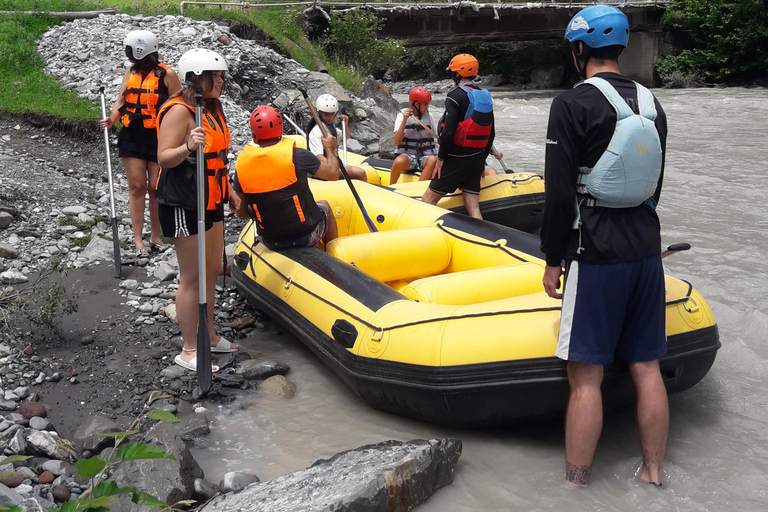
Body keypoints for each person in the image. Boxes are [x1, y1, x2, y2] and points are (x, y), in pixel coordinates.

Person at [539, 5, 669, 488]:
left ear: (579, 50)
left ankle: (576, 485)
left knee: (586, 378)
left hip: (593, 251)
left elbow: (557, 195)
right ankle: (653, 471)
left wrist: (552, 258)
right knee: (646, 365)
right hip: (645, 248)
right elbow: (655, 185)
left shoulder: (571, 105)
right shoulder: (653, 104)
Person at [155, 48, 239, 372]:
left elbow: (219, 157)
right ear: (195, 78)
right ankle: (189, 348)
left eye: (221, 76)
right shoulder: (179, 112)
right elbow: (164, 158)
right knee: (192, 277)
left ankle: (210, 335)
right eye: (214, 76)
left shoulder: (213, 108)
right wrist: (188, 146)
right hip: (183, 201)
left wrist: (229, 190)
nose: (220, 81)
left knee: (213, 271)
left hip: (211, 198)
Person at [99, 30, 181, 258]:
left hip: (158, 136)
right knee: (137, 186)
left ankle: (155, 237)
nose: (127, 55)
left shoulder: (167, 74)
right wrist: (111, 119)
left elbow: (179, 105)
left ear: (140, 49)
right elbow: (121, 100)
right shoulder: (131, 72)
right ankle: (138, 241)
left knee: (155, 188)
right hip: (132, 135)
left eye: (129, 50)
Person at [234, 106, 340, 250]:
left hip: (271, 240)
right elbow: (333, 174)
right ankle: (333, 258)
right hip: (305, 234)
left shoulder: (242, 166)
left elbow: (241, 211)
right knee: (325, 205)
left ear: (254, 136)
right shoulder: (299, 155)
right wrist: (330, 148)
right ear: (281, 131)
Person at [422, 54, 495, 219]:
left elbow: (448, 132)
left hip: (456, 157)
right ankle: (481, 239)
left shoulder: (454, 96)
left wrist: (440, 158)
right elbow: (491, 133)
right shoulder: (485, 96)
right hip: (477, 158)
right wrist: (481, 160)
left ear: (457, 74)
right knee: (472, 206)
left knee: (427, 200)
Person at [306, 94, 367, 181]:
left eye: (332, 114)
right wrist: (337, 169)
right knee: (359, 173)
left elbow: (345, 137)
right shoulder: (316, 131)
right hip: (322, 169)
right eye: (326, 115)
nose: (330, 118)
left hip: (333, 164)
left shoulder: (329, 127)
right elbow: (318, 157)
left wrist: (345, 123)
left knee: (361, 173)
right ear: (319, 113)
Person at [389, 87, 438, 185]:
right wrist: (404, 120)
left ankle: (418, 188)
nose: (427, 107)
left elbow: (437, 136)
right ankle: (391, 187)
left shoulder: (429, 116)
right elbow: (397, 142)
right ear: (416, 104)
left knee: (433, 160)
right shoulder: (401, 116)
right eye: (425, 104)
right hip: (409, 155)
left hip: (426, 156)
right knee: (398, 161)